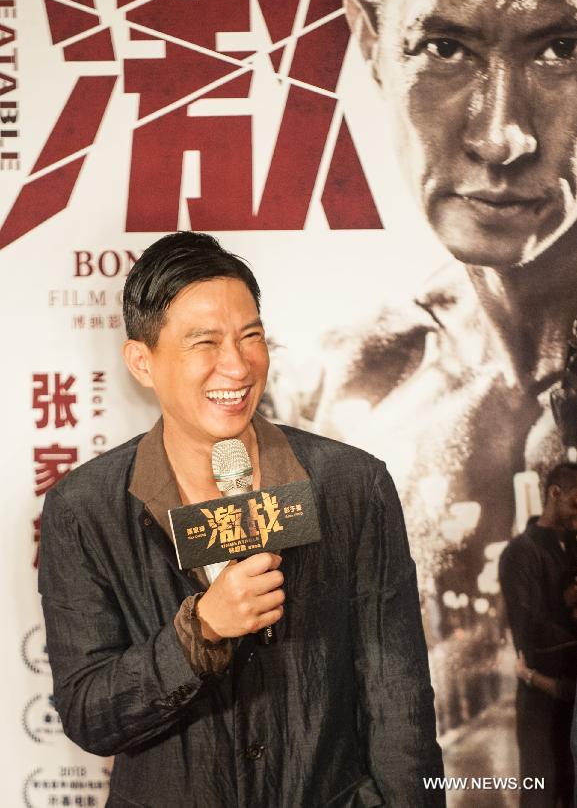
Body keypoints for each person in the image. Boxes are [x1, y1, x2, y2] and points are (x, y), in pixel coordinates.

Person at [38, 231, 444, 808]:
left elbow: (396, 691)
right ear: (141, 361)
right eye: (205, 342)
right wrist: (199, 631)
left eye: (251, 335)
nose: (236, 364)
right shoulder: (85, 509)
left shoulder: (351, 484)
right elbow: (89, 713)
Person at [299, 0, 577, 736]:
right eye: (445, 48)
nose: (501, 135)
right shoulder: (354, 386)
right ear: (369, 42)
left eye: (561, 50)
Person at [499, 463, 577, 807]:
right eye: (576, 502)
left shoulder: (573, 546)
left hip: (571, 696)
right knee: (541, 795)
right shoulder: (520, 552)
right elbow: (529, 631)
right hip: (541, 702)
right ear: (554, 493)